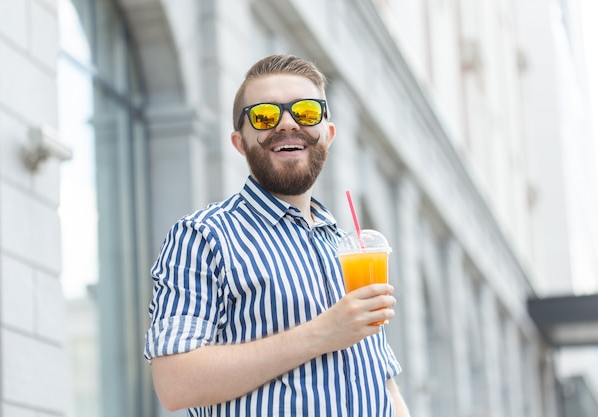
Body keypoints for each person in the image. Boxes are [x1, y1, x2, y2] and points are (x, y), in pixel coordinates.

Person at [144, 54, 411, 417]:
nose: (287, 123)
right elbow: (175, 383)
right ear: (240, 142)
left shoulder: (348, 248)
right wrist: (322, 333)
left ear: (327, 136)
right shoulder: (203, 237)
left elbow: (383, 384)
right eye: (265, 115)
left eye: (305, 111)